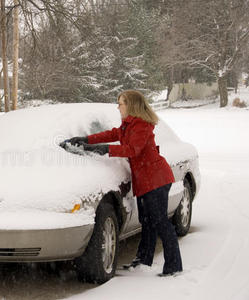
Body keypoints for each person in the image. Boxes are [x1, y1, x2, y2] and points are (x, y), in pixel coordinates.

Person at [61, 90, 182, 276]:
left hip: (156, 179)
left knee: (160, 222)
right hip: (145, 180)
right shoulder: (128, 124)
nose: (118, 107)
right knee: (147, 222)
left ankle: (174, 266)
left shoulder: (141, 125)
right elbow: (112, 134)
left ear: (131, 105)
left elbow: (132, 150)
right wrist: (87, 139)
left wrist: (104, 149)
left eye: (121, 103)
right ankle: (144, 260)